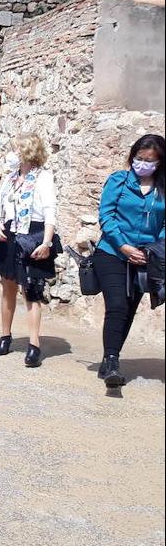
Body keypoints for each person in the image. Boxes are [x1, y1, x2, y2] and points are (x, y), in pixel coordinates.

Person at [93, 134, 166, 387]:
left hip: (146, 258)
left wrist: (152, 250)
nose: (143, 164)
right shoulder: (118, 181)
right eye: (139, 159)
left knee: (129, 310)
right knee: (117, 306)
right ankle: (113, 361)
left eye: (150, 161)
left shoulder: (162, 189)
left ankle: (109, 358)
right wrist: (124, 246)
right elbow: (107, 215)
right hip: (112, 252)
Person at [0, 133, 58, 368]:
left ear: (28, 152)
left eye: (17, 150)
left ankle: (34, 344)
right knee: (7, 286)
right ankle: (5, 336)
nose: (12, 154)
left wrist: (46, 243)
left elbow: (50, 212)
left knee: (32, 291)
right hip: (9, 235)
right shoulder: (10, 178)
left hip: (32, 235)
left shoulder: (43, 178)